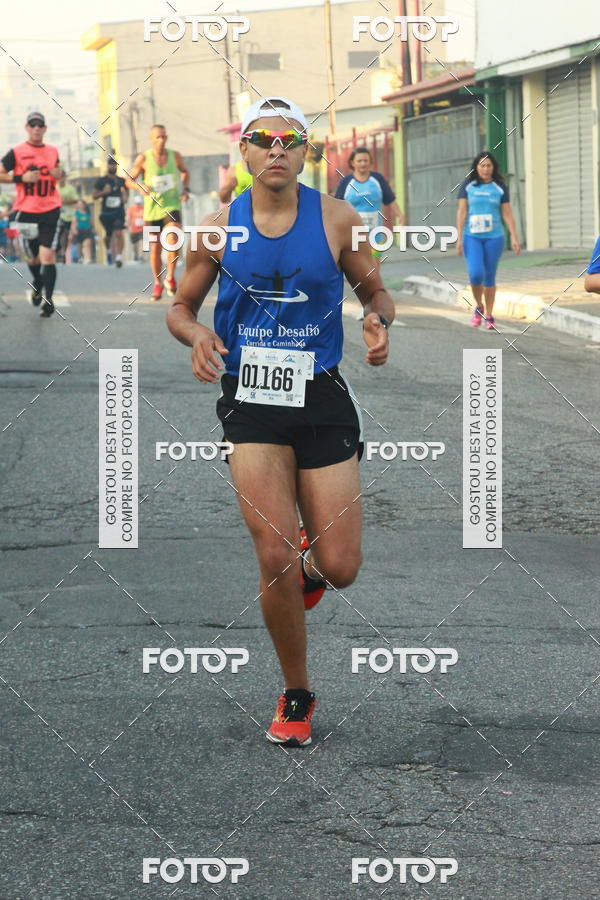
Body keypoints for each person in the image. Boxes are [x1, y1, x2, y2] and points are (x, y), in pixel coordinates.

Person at [166, 96, 394, 748]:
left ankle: (311, 574)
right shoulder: (215, 229)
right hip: (252, 400)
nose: (276, 149)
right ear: (243, 152)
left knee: (341, 564)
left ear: (303, 151)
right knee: (272, 550)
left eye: (289, 138)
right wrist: (196, 335)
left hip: (320, 396)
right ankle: (297, 692)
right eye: (262, 138)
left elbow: (375, 290)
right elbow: (180, 306)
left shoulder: (338, 218)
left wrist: (378, 317)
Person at [0, 111, 63, 316]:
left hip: (51, 210)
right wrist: (21, 177)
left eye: (40, 125)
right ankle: (37, 281)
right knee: (32, 258)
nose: (36, 128)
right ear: (26, 127)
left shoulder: (53, 151)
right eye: (32, 124)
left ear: (45, 129)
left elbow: (59, 172)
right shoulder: (16, 152)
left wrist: (59, 173)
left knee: (48, 256)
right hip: (26, 212)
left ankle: (49, 300)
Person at [457, 151, 521, 329]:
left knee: (489, 276)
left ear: (493, 168)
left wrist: (515, 237)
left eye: (489, 166)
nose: (485, 169)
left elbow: (507, 213)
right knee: (476, 274)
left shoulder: (500, 186)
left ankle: (489, 315)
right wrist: (459, 237)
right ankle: (478, 306)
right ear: (476, 168)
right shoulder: (468, 186)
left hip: (494, 237)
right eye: (482, 165)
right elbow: (462, 212)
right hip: (472, 237)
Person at [125, 125, 190, 299]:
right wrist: (140, 186)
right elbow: (129, 180)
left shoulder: (174, 156)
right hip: (152, 209)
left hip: (171, 205)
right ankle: (158, 282)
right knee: (155, 248)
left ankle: (170, 277)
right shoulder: (144, 159)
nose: (161, 140)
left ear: (166, 137)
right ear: (151, 139)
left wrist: (185, 189)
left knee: (174, 241)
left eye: (163, 137)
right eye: (157, 137)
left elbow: (185, 171)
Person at [335, 147, 404, 271]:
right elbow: (336, 206)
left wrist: (401, 216)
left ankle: (373, 289)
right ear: (352, 163)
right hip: (353, 235)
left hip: (375, 235)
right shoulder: (346, 182)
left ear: (370, 162)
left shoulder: (377, 179)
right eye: (359, 161)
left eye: (366, 160)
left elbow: (390, 199)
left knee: (374, 268)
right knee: (358, 269)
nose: (363, 164)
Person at [93, 156, 128, 267]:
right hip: (106, 213)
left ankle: (118, 257)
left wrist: (124, 195)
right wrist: (103, 192)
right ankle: (108, 250)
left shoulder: (122, 181)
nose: (113, 166)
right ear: (107, 166)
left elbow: (126, 198)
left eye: (115, 164)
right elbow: (94, 196)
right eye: (111, 164)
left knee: (118, 232)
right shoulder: (101, 180)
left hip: (119, 212)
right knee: (108, 236)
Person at [57, 177, 78, 264]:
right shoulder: (54, 188)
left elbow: (75, 200)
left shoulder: (70, 189)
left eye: (62, 177)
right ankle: (58, 252)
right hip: (56, 215)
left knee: (65, 234)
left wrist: (63, 202)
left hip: (67, 215)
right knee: (58, 234)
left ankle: (63, 252)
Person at [70, 200, 94, 264]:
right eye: (78, 204)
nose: (79, 205)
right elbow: (74, 222)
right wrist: (74, 230)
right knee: (79, 245)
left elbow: (91, 222)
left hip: (87, 230)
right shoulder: (76, 213)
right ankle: (80, 257)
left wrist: (92, 229)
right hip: (79, 230)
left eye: (81, 204)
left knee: (87, 244)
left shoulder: (88, 213)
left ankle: (88, 258)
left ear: (84, 205)